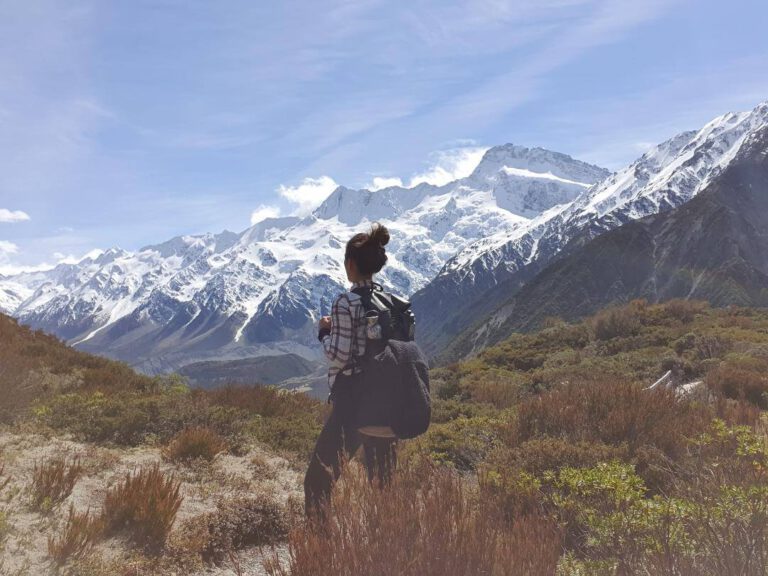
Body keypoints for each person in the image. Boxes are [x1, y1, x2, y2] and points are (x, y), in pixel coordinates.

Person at [303, 222, 398, 521]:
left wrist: (324, 333)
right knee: (383, 486)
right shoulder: (389, 301)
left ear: (350, 264)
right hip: (387, 401)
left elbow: (338, 356)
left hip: (354, 405)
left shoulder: (345, 302)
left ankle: (319, 556)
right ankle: (389, 551)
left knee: (318, 481)